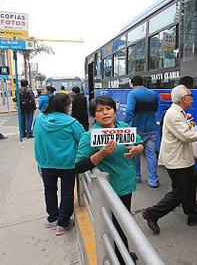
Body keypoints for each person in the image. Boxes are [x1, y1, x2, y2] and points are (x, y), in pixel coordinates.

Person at [142, 85, 197, 234]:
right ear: (183, 99)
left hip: (183, 159)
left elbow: (184, 131)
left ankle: (193, 216)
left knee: (190, 188)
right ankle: (152, 213)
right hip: (177, 161)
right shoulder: (174, 115)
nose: (192, 98)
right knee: (180, 192)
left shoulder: (180, 113)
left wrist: (189, 123)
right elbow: (186, 136)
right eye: (190, 95)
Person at [76, 95, 144, 262]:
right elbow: (78, 166)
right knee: (116, 224)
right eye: (100, 110)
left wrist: (137, 149)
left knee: (122, 221)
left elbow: (140, 143)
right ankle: (121, 257)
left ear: (114, 110)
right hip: (108, 189)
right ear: (94, 115)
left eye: (108, 109)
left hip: (126, 184)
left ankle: (123, 252)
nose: (105, 113)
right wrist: (102, 153)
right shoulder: (90, 136)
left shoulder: (124, 127)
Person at [34, 93, 86, 235]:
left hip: (45, 163)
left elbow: (36, 135)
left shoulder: (39, 119)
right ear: (66, 106)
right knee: (67, 193)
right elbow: (84, 139)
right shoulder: (71, 122)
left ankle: (52, 219)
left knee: (49, 191)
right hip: (67, 164)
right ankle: (63, 223)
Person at [124, 75, 159, 187]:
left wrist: (123, 125)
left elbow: (129, 111)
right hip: (151, 129)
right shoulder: (153, 93)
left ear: (132, 84)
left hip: (137, 130)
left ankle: (137, 177)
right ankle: (153, 180)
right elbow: (155, 109)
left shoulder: (132, 94)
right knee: (151, 155)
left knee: (136, 154)